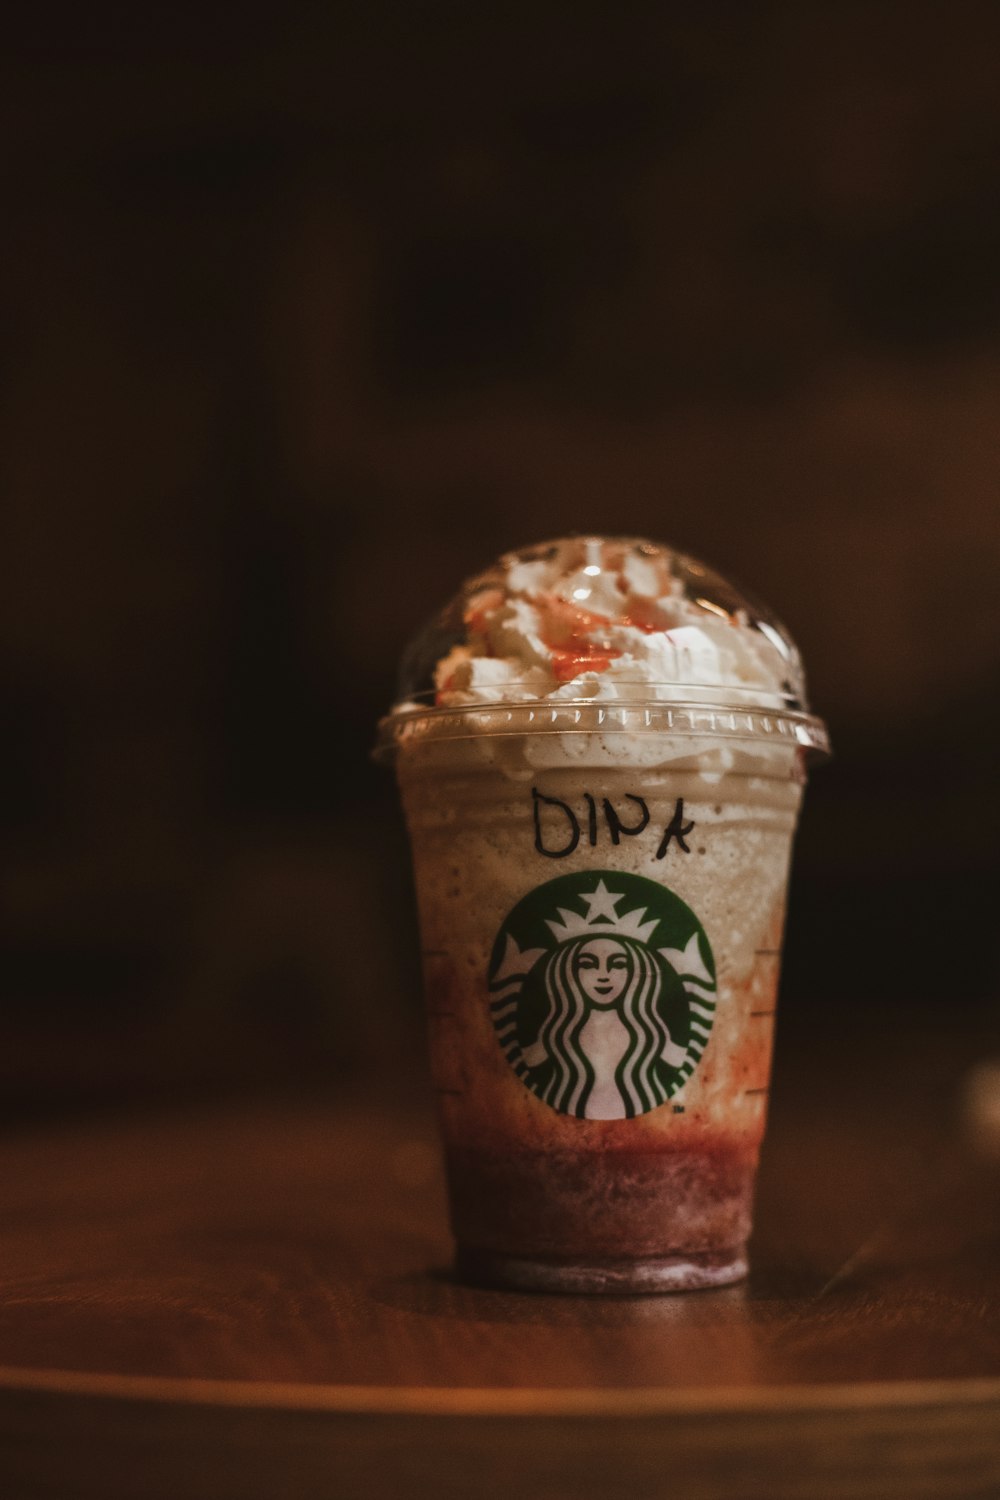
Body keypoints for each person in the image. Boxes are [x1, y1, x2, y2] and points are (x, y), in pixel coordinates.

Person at [521, 934, 687, 1120]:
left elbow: (679, 1061)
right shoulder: (556, 1032)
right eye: (588, 965)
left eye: (617, 964)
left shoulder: (651, 1031)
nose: (603, 975)